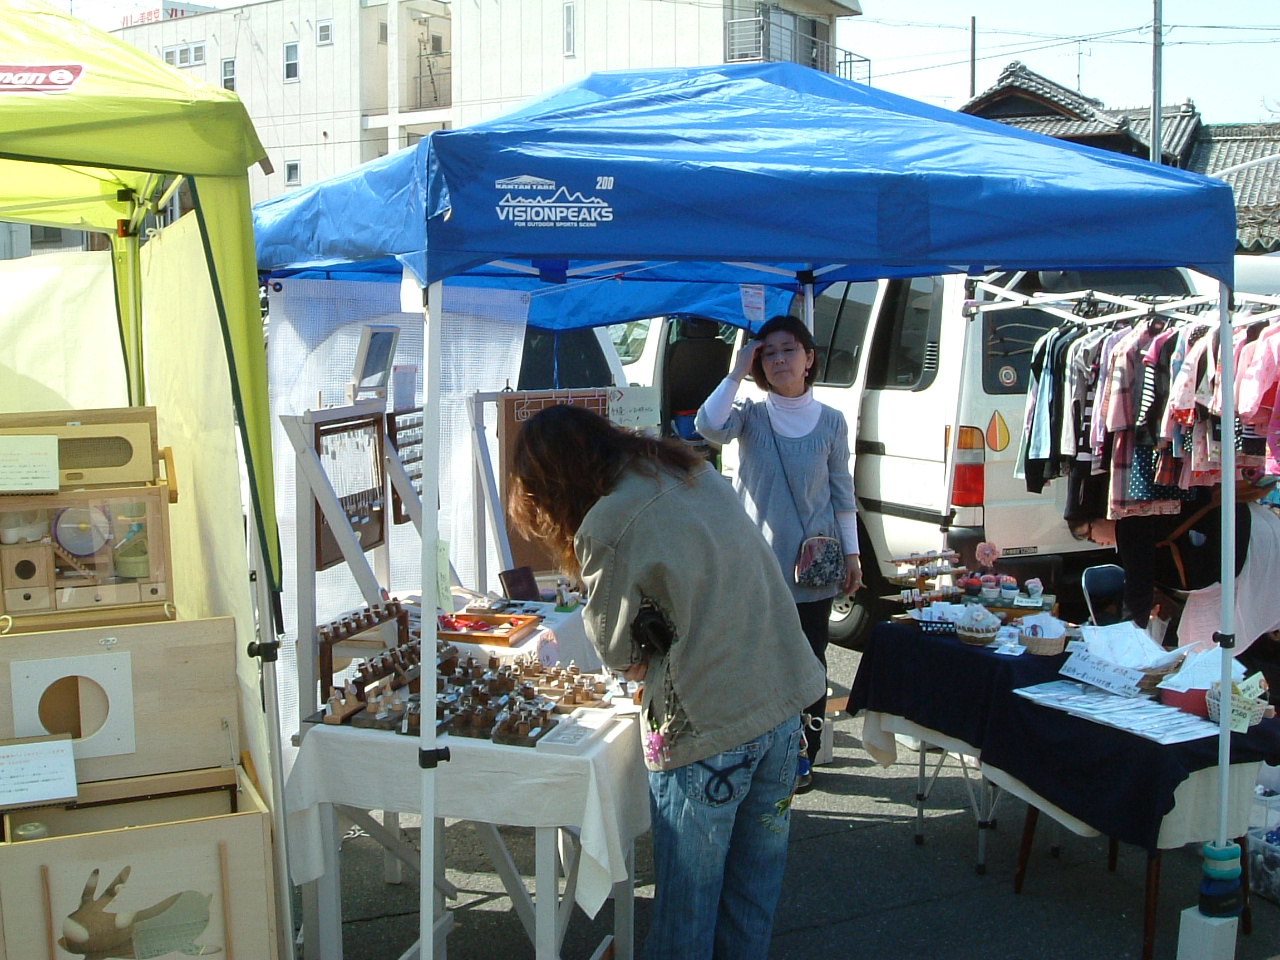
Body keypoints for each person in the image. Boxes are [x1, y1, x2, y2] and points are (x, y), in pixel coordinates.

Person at [507, 403, 826, 960]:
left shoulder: (608, 521)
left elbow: (618, 653)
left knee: (687, 914)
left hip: (707, 723)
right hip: (780, 703)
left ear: (553, 485)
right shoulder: (688, 470)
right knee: (752, 898)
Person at [694, 314, 860, 791]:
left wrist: (852, 556)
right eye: (769, 352)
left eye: (789, 349)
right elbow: (708, 425)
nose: (779, 359)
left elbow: (842, 493)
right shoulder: (749, 413)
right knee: (756, 660)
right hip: (757, 566)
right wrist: (736, 372)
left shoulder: (832, 421)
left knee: (810, 662)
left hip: (814, 566)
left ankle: (804, 752)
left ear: (809, 359)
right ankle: (761, 751)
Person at [1067, 487, 1280, 684]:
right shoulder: (1134, 513)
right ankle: (1236, 693)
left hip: (1244, 546)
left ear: (1101, 518)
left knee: (1203, 648)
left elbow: (1138, 586)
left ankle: (1232, 696)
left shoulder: (1130, 522)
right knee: (1202, 644)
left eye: (1089, 534)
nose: (1097, 542)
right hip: (1254, 534)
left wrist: (1128, 638)